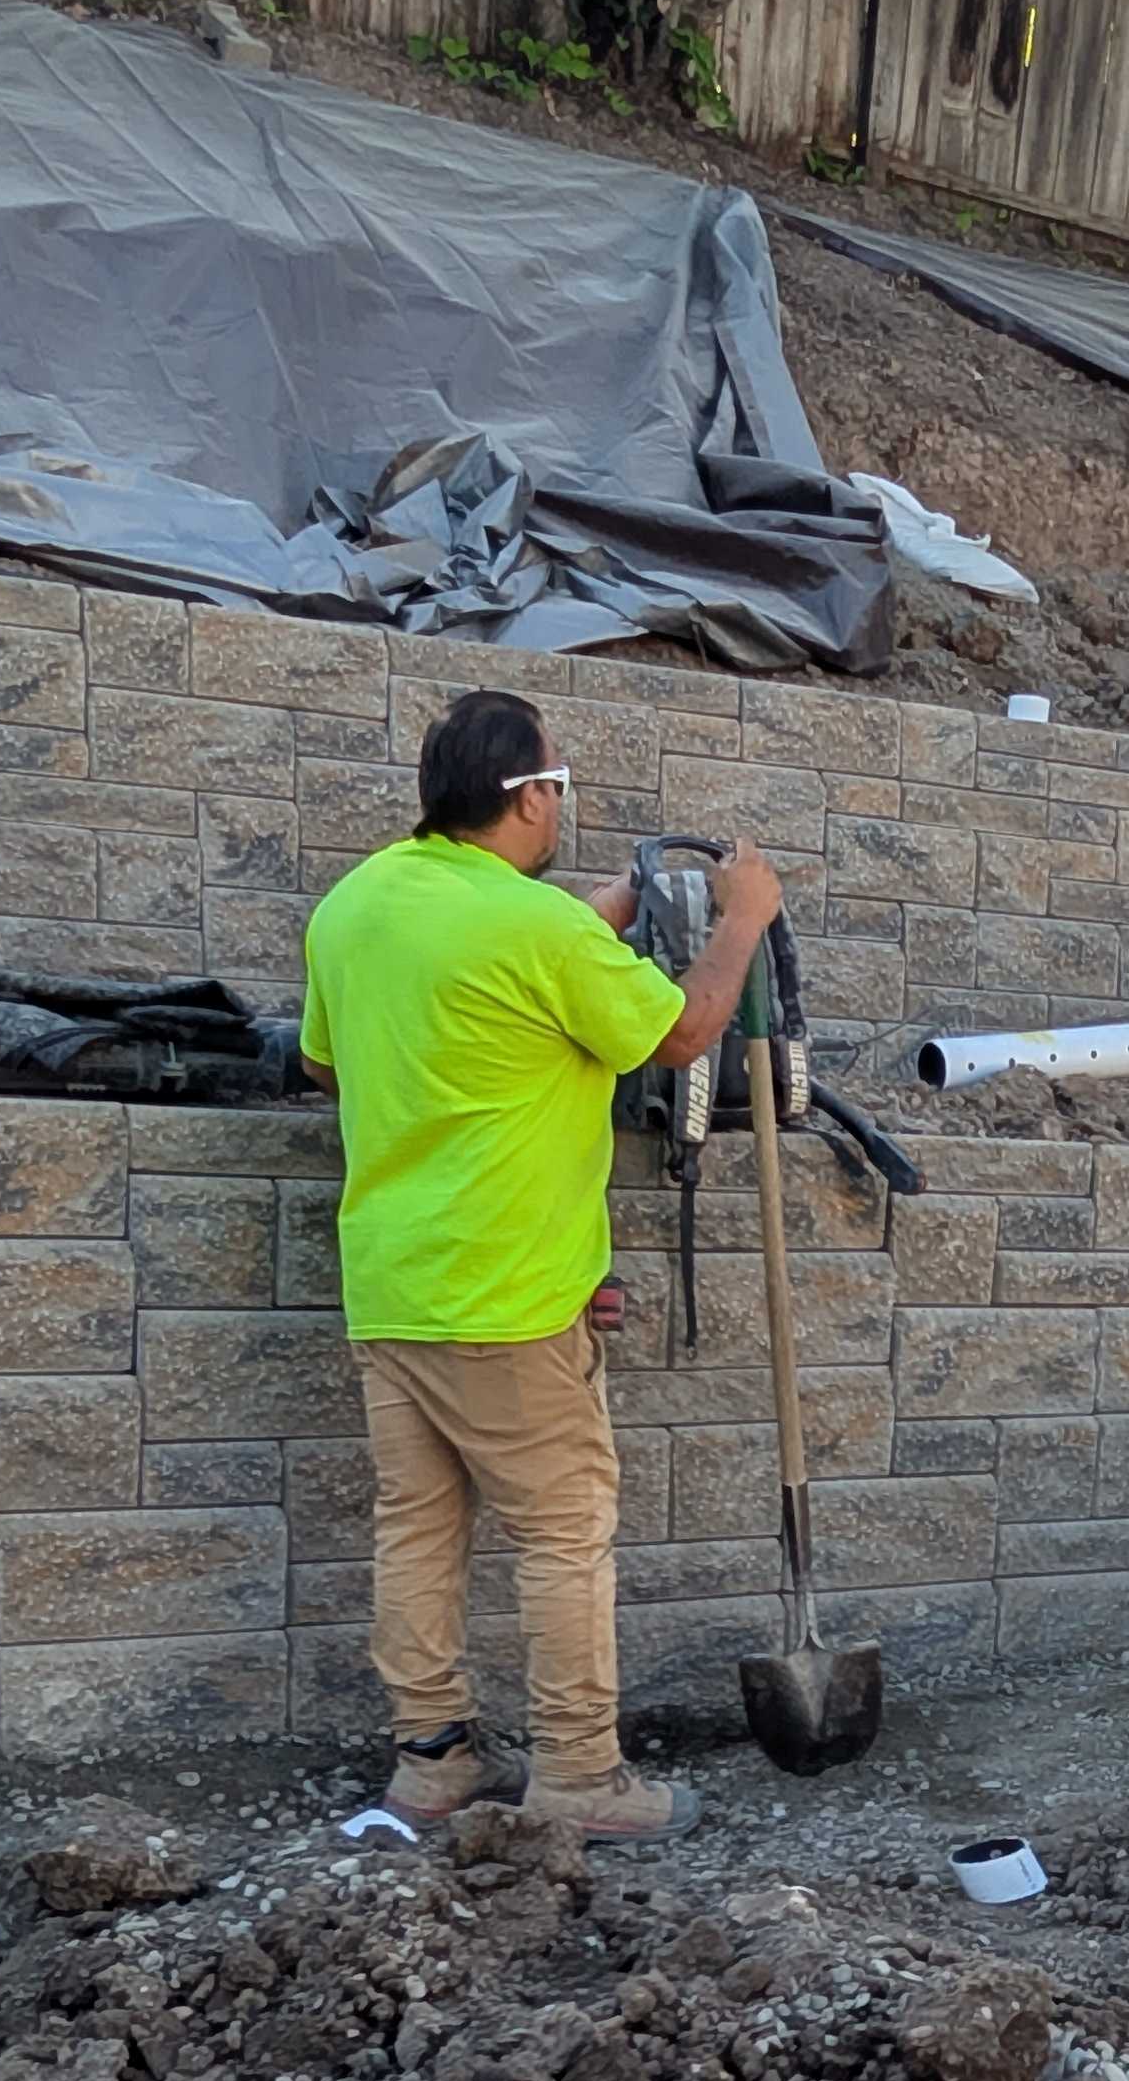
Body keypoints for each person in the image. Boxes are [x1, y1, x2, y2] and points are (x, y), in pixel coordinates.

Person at [293, 689, 776, 1834]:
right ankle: (578, 1778)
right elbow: (683, 1031)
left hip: (392, 1287)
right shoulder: (536, 931)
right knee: (561, 1534)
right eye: (557, 784)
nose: (563, 803)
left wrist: (584, 929)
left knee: (416, 1527)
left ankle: (432, 1765)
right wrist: (744, 918)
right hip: (507, 1294)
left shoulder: (355, 906)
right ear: (525, 799)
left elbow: (328, 1064)